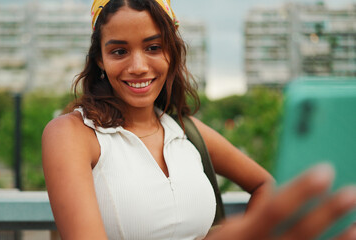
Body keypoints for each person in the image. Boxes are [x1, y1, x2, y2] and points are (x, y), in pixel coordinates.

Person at [42, 0, 356, 239]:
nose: (138, 66)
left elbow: (264, 184)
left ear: (172, 52)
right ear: (100, 59)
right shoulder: (72, 134)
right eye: (119, 51)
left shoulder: (185, 130)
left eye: (153, 47)